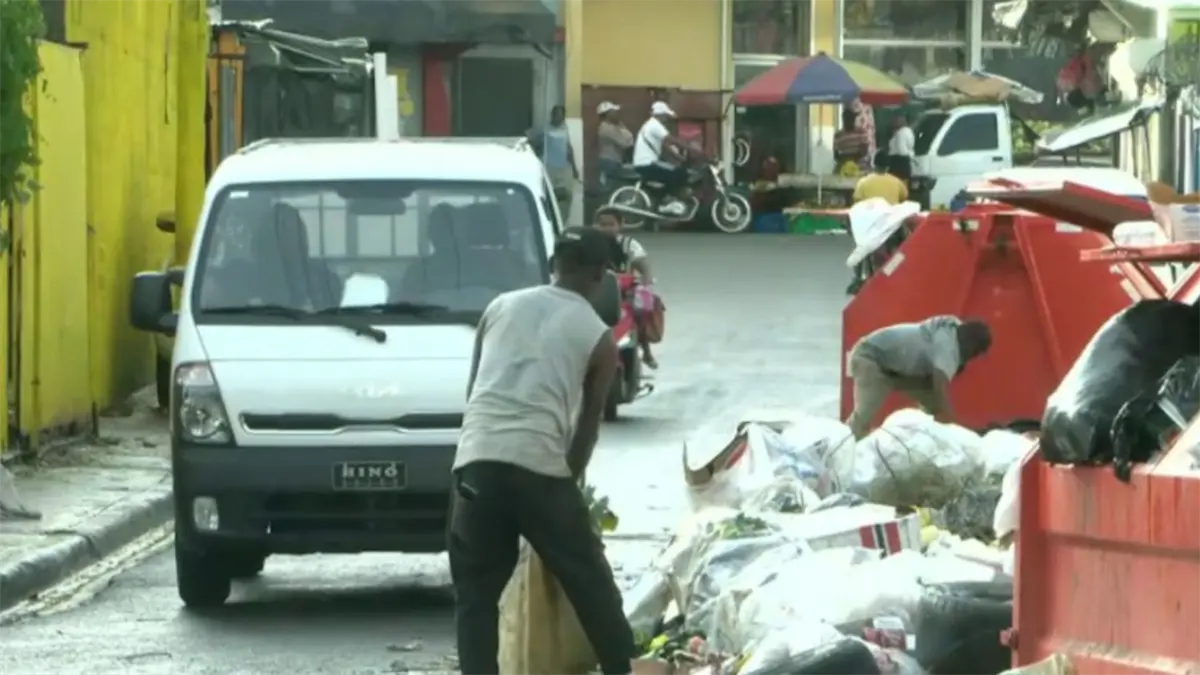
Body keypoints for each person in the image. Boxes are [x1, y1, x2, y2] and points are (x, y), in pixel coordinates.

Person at [448, 226, 636, 675]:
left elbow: (475, 393)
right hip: (538, 470)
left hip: (474, 466)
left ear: (555, 266)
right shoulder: (599, 337)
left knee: (475, 595)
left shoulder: (500, 307)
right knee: (589, 580)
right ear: (598, 275)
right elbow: (586, 431)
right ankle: (625, 667)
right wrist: (565, 493)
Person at [845, 316, 992, 440]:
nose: (974, 357)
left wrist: (942, 413)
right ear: (970, 343)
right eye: (976, 352)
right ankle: (840, 447)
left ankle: (930, 438)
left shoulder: (952, 328)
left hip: (898, 369)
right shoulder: (948, 345)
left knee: (933, 401)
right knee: (863, 416)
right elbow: (939, 381)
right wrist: (949, 418)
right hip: (871, 358)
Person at [595, 206, 660, 369]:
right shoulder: (590, 244)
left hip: (625, 292)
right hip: (597, 291)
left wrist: (646, 284)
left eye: (611, 225)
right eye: (602, 225)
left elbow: (643, 265)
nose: (607, 229)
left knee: (642, 312)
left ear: (620, 225)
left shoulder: (629, 244)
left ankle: (646, 351)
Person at [632, 101, 691, 216]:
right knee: (679, 173)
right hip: (647, 164)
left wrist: (679, 157)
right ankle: (665, 202)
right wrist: (694, 150)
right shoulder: (655, 125)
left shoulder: (650, 124)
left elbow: (665, 145)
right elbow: (671, 140)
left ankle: (664, 198)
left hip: (646, 163)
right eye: (666, 116)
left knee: (673, 171)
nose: (666, 119)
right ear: (661, 115)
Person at [529, 105, 580, 222]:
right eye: (557, 115)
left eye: (562, 116)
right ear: (552, 115)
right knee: (548, 195)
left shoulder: (565, 129)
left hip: (563, 167)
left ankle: (562, 221)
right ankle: (547, 220)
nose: (559, 118)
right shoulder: (544, 129)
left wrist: (575, 168)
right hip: (548, 167)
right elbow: (531, 142)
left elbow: (568, 148)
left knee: (565, 196)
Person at [596, 101, 633, 190]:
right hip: (609, 162)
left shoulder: (612, 126)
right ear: (607, 114)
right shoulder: (607, 128)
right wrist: (622, 127)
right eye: (614, 111)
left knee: (613, 188)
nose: (616, 113)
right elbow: (626, 143)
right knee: (609, 188)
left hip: (613, 161)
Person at [887, 115, 915, 184]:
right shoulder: (909, 131)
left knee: (895, 184)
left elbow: (902, 150)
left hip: (897, 162)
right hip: (905, 163)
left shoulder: (900, 134)